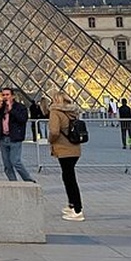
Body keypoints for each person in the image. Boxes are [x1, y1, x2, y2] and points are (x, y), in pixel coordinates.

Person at [44, 90, 84, 221]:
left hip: (64, 149)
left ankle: (77, 210)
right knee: (68, 177)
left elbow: (54, 131)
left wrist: (50, 140)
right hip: (75, 148)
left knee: (69, 179)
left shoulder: (55, 112)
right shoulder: (72, 112)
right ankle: (71, 205)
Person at [0, 87, 34, 182]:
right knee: (7, 165)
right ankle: (14, 183)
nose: (5, 97)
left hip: (15, 138)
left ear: (13, 96)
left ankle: (29, 181)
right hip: (3, 138)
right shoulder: (1, 108)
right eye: (3, 95)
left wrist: (11, 109)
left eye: (7, 95)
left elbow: (23, 119)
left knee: (15, 161)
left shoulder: (20, 107)